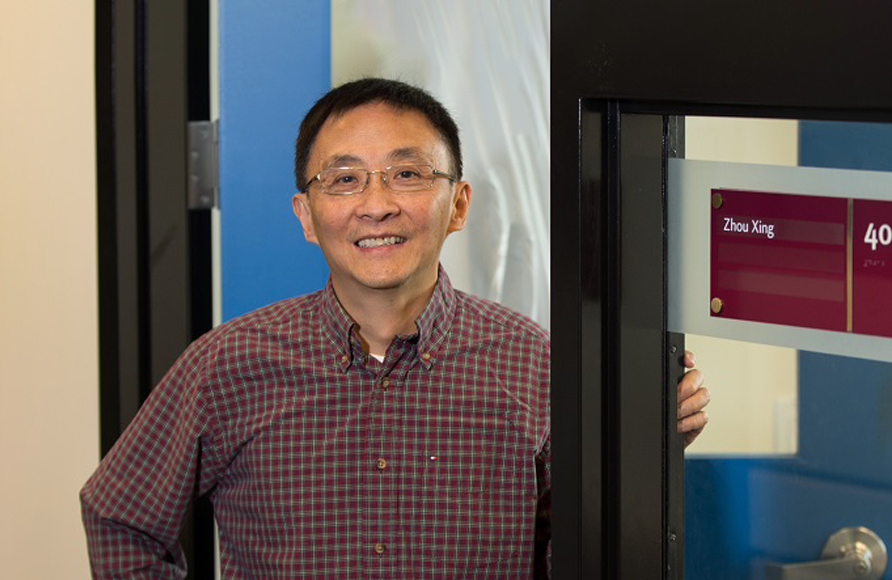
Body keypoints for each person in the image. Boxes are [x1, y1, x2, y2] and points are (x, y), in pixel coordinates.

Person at [80, 78, 710, 578]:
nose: (376, 203)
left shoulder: (533, 363)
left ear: (458, 204)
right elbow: (120, 519)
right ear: (306, 214)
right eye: (344, 179)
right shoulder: (227, 364)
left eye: (407, 174)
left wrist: (638, 454)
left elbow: (573, 548)